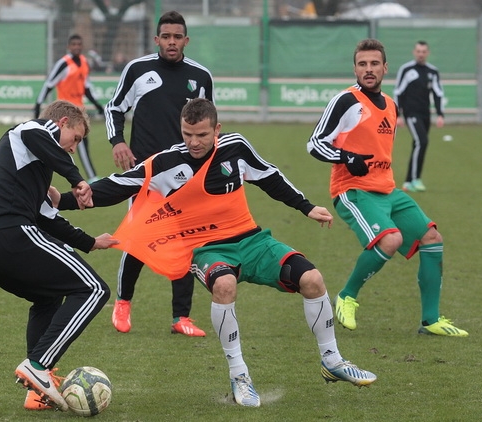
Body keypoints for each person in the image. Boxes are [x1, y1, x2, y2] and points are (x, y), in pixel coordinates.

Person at [56, 98, 377, 407]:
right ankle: (240, 376)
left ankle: (332, 360)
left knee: (312, 278)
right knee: (225, 286)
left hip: (251, 240)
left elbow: (269, 177)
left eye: (202, 135)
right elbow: (115, 186)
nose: (194, 142)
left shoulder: (235, 148)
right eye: (187, 134)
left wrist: (306, 207)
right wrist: (63, 201)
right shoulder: (167, 162)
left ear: (217, 129)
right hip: (207, 249)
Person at [306, 39, 468, 337]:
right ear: (354, 68)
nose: (369, 70)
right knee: (390, 240)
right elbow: (315, 143)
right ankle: (346, 296)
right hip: (352, 189)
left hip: (387, 190)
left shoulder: (392, 106)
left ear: (385, 68)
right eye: (362, 64)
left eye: (374, 64)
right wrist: (346, 157)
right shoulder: (346, 100)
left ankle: (430, 321)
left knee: (432, 238)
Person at [0, 100, 118, 412]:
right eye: (75, 138)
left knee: (48, 298)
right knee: (94, 289)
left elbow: (48, 217)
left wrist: (91, 242)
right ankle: (39, 364)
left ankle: (37, 391)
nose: (74, 148)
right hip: (8, 233)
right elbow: (38, 137)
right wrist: (77, 179)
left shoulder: (32, 168)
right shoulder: (33, 130)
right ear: (61, 123)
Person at [104, 10, 214, 336]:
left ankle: (181, 317)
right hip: (146, 173)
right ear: (156, 39)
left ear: (186, 40)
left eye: (177, 37)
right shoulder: (138, 69)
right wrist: (117, 142)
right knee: (137, 239)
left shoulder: (201, 77)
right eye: (165, 36)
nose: (171, 42)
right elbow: (114, 107)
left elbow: (206, 126)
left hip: (187, 174)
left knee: (185, 242)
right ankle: (123, 303)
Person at [34, 34, 105, 183]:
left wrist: (98, 106)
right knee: (58, 144)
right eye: (73, 44)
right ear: (68, 47)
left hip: (79, 110)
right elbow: (49, 84)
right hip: (64, 112)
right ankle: (89, 177)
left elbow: (86, 88)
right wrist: (38, 104)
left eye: (79, 44)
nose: (76, 47)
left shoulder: (84, 63)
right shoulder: (63, 64)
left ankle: (91, 177)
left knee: (81, 141)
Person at [393, 40, 445, 192]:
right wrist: (398, 114)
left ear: (427, 53)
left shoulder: (432, 71)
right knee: (422, 141)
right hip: (411, 113)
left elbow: (437, 93)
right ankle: (415, 179)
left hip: (425, 114)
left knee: (419, 144)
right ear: (414, 52)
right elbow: (398, 92)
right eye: (418, 51)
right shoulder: (407, 69)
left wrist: (440, 114)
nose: (421, 54)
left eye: (423, 52)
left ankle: (409, 181)